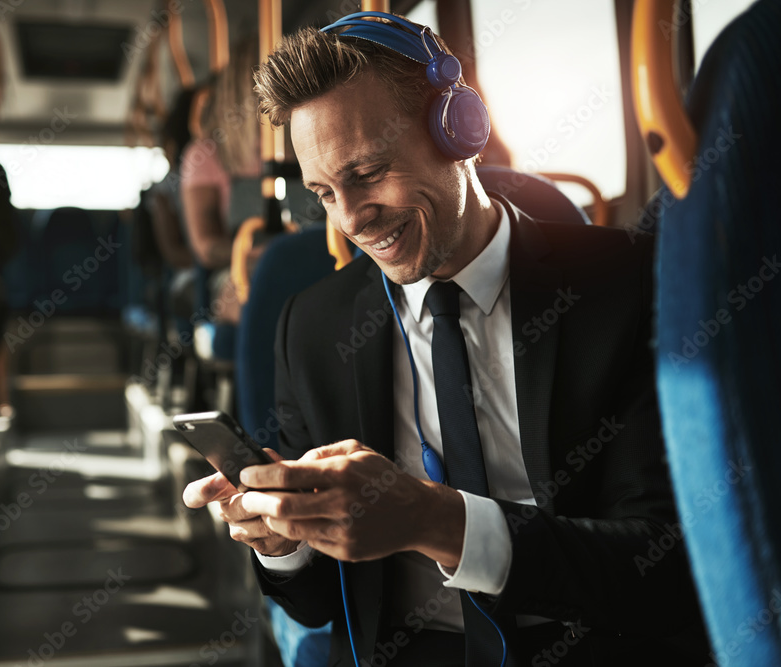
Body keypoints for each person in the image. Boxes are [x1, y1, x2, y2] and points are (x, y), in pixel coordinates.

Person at [183, 13, 707, 667]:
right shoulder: (313, 326)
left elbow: (662, 567)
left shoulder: (626, 285)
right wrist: (281, 542)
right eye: (323, 192)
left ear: (460, 131)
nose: (350, 219)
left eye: (369, 172)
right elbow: (319, 604)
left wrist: (436, 520)